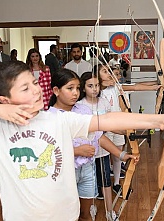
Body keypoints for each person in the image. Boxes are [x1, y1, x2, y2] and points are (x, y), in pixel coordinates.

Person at [0, 60, 164, 221]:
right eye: (25, 88)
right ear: (6, 99)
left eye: (35, 83)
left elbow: (108, 119)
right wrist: (0, 111)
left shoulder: (58, 119)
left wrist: (159, 119)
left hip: (66, 215)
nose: (36, 90)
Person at [48, 69, 139, 221]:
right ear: (56, 90)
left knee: (86, 214)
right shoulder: (49, 117)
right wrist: (77, 151)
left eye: (77, 88)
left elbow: (99, 137)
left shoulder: (82, 110)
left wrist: (122, 155)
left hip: (87, 169)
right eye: (70, 88)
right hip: (65, 171)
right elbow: (49, 151)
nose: (75, 93)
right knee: (67, 214)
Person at [95, 63, 161, 196]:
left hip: (117, 126)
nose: (109, 74)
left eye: (109, 71)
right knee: (103, 158)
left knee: (118, 155)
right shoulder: (96, 92)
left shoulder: (116, 87)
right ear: (97, 76)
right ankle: (103, 186)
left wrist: (156, 87)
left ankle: (117, 183)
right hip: (104, 129)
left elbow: (135, 87)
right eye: (104, 71)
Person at [78, 71, 125, 220]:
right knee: (89, 182)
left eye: (97, 85)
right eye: (90, 86)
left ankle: (109, 211)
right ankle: (90, 206)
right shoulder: (79, 105)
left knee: (106, 181)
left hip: (103, 150)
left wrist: (126, 129)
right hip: (87, 152)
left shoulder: (104, 102)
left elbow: (111, 123)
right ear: (83, 88)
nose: (95, 89)